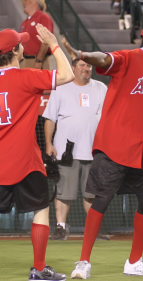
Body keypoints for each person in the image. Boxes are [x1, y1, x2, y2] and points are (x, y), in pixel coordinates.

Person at [0, 25, 74, 281]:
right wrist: (54, 44)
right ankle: (39, 269)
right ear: (14, 52)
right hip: (26, 159)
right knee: (41, 209)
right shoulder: (27, 76)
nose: (24, 46)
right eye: (20, 44)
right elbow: (68, 75)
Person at [61, 21, 143, 279]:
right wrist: (81, 54)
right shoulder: (130, 57)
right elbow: (103, 59)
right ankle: (83, 262)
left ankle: (134, 262)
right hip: (114, 145)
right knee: (102, 200)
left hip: (141, 148)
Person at [42, 58, 108, 241]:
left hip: (94, 149)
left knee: (92, 194)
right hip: (66, 151)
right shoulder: (61, 87)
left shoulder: (101, 88)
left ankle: (94, 229)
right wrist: (49, 143)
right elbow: (50, 119)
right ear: (73, 68)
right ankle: (61, 228)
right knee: (63, 192)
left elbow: (107, 118)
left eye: (88, 65)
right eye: (82, 65)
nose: (86, 69)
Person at [20, 0, 54, 70]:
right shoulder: (25, 22)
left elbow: (46, 40)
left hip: (39, 60)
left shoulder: (43, 17)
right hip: (25, 60)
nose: (23, 3)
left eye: (26, 1)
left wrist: (39, 60)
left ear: (34, 2)